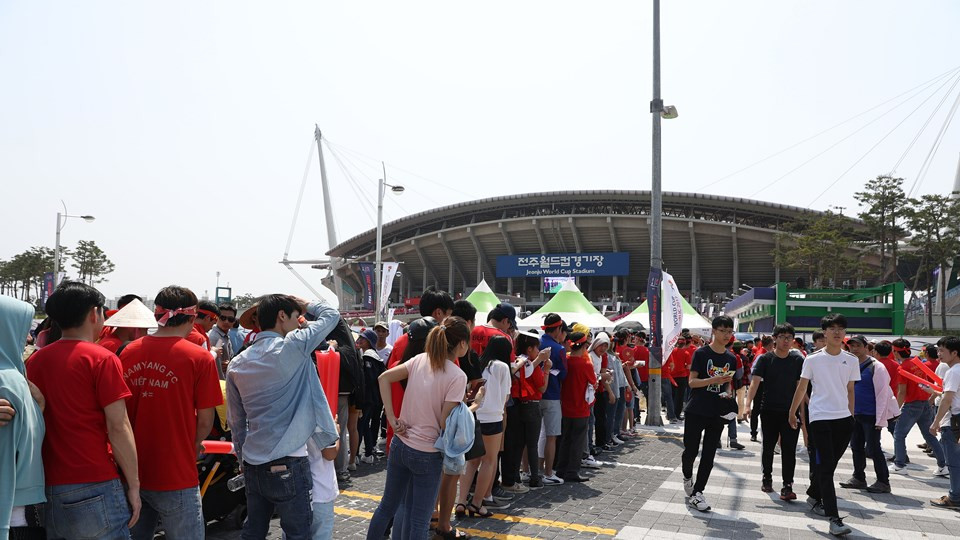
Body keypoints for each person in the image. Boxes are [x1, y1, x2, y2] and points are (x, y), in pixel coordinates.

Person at [26, 281, 141, 539]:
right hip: (94, 480)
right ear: (93, 313)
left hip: (48, 483)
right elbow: (118, 426)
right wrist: (134, 485)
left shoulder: (36, 360)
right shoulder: (102, 359)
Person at [226, 295, 341, 540]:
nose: (299, 321)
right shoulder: (294, 346)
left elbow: (236, 422)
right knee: (297, 534)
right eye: (295, 316)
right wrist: (306, 303)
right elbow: (332, 315)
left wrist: (242, 458)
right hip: (289, 460)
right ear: (281, 316)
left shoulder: (237, 363)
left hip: (253, 461)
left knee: (253, 532)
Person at [119, 286, 223, 539]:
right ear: (192, 316)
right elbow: (206, 419)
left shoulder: (128, 351)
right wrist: (194, 444)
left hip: (131, 469)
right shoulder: (200, 358)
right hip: (176, 471)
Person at [367, 317, 470, 540]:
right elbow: (445, 422)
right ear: (462, 343)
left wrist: (392, 418)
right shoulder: (457, 376)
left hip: (401, 444)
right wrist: (473, 406)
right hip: (427, 453)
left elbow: (384, 378)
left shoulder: (420, 359)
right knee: (419, 522)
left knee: (386, 507)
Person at [787, 313, 860, 537]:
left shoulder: (851, 360)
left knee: (829, 465)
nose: (837, 332)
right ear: (824, 332)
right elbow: (802, 387)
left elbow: (850, 390)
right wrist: (792, 412)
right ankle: (834, 518)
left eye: (841, 328)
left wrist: (851, 416)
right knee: (827, 467)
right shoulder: (812, 359)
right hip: (819, 418)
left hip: (844, 419)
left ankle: (813, 492)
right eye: (832, 328)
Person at [385, 287, 455, 452]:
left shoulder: (400, 342)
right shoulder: (445, 346)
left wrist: (391, 417)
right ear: (439, 313)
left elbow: (389, 381)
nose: (449, 320)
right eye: (449, 315)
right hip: (430, 435)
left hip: (399, 427)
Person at [0, 295, 46, 539]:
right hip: (12, 511)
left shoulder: (13, 376)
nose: (29, 338)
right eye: (23, 329)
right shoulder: (8, 380)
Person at [681, 315, 738, 512]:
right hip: (696, 409)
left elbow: (728, 383)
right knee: (690, 451)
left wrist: (727, 393)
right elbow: (692, 382)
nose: (726, 335)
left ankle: (698, 492)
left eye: (729, 331)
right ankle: (687, 476)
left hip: (717, 412)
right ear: (714, 331)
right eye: (723, 331)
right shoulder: (701, 353)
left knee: (709, 454)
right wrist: (713, 380)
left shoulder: (731, 358)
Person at [744, 324, 804, 499]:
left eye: (789, 337)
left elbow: (800, 387)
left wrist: (801, 412)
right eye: (782, 337)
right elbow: (754, 383)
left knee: (789, 449)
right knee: (768, 447)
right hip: (769, 410)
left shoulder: (798, 360)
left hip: (790, 412)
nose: (786, 341)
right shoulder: (765, 359)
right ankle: (767, 478)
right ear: (775, 338)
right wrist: (747, 405)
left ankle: (787, 485)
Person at [459, 336, 513, 517]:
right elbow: (505, 397)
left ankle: (461, 501)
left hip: (474, 414)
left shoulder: (479, 363)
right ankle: (477, 503)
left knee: (471, 461)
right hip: (493, 418)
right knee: (489, 461)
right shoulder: (502, 367)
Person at [838, 335, 898, 494]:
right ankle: (858, 478)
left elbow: (883, 394)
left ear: (867, 348)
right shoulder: (848, 364)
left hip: (871, 415)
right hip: (854, 414)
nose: (854, 349)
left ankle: (883, 482)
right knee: (856, 447)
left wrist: (880, 419)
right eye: (851, 346)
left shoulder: (877, 367)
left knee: (873, 449)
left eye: (858, 345)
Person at [891, 338, 947, 476]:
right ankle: (943, 465)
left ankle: (899, 464)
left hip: (912, 405)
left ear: (896, 352)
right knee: (929, 435)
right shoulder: (917, 363)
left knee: (899, 434)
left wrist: (895, 410)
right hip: (924, 403)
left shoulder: (903, 368)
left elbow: (902, 392)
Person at [502, 331, 548, 492]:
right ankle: (535, 477)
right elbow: (542, 387)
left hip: (518, 405)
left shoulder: (518, 362)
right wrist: (546, 370)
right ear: (530, 349)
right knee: (532, 444)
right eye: (537, 348)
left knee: (518, 444)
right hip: (532, 405)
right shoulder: (530, 365)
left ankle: (515, 476)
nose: (538, 351)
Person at [555, 332, 598, 483]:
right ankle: (572, 471)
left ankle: (561, 469)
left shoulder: (566, 360)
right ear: (584, 345)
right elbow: (593, 382)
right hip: (580, 408)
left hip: (564, 407)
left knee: (565, 440)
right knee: (577, 442)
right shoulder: (586, 364)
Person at [929, 336, 960, 509]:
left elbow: (947, 399)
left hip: (955, 422)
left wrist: (935, 422)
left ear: (954, 353)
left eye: (942, 350)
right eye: (938, 350)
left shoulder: (953, 372)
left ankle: (955, 497)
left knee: (954, 463)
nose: (939, 354)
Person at [538, 313, 568, 485]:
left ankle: (530, 470)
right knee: (551, 436)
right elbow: (564, 374)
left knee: (532, 436)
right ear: (558, 329)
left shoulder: (536, 343)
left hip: (534, 395)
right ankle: (548, 472)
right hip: (552, 395)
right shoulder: (559, 349)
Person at [208, 302, 238, 378]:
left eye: (230, 319)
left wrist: (230, 364)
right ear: (217, 318)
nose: (226, 322)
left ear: (234, 321)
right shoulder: (216, 337)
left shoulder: (224, 335)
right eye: (223, 318)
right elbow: (217, 366)